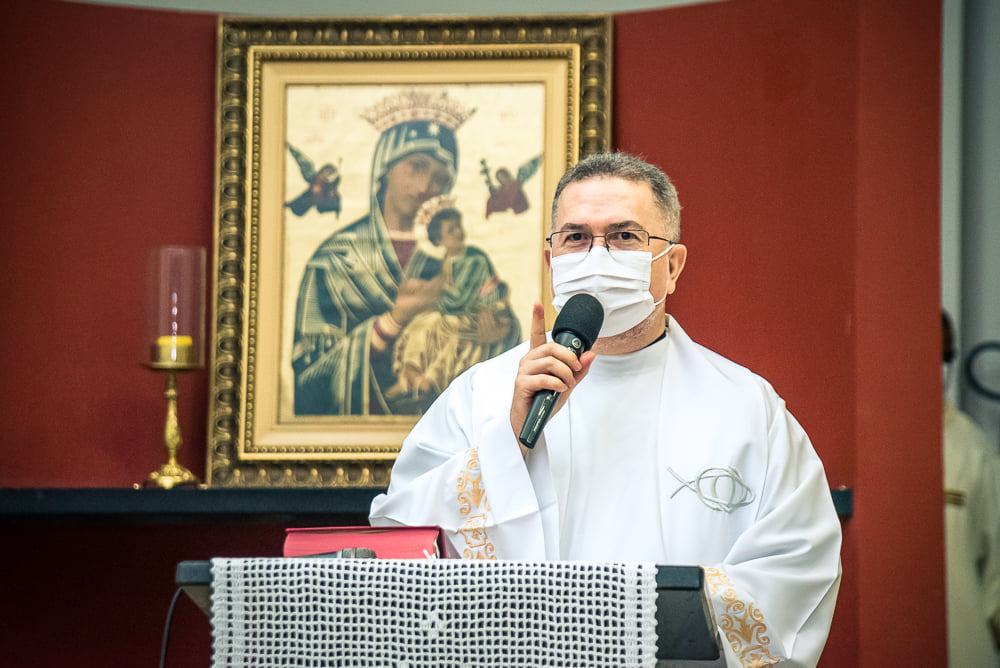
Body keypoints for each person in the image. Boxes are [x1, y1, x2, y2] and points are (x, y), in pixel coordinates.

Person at [370, 152, 842, 666]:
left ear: (673, 266)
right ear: (552, 263)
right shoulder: (481, 396)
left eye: (624, 236)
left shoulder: (748, 410)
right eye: (576, 238)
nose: (597, 255)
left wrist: (635, 632)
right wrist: (509, 442)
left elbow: (797, 561)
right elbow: (400, 547)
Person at [291, 89, 474, 416]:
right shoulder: (334, 259)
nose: (424, 187)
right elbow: (308, 376)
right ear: (384, 167)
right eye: (416, 167)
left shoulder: (459, 260)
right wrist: (391, 322)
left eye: (439, 177)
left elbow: (500, 350)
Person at [386, 196, 521, 412]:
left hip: (483, 312)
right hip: (456, 311)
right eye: (451, 230)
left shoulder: (474, 258)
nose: (458, 232)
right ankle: (409, 374)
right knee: (421, 324)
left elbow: (460, 299)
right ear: (438, 240)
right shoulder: (447, 260)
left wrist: (430, 294)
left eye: (458, 227)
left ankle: (430, 380)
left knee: (454, 334)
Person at [941, 311, 1000, 667]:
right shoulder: (874, 447)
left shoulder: (975, 450)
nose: (939, 368)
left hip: (965, 650)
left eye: (946, 358)